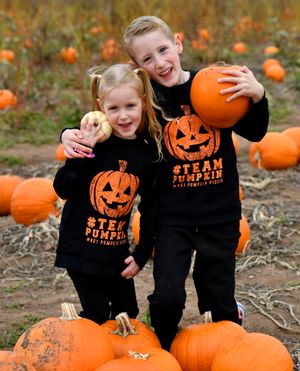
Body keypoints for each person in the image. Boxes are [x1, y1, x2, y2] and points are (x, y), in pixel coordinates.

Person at [60, 16, 269, 350]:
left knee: (218, 292)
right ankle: (166, 349)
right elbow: (111, 124)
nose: (159, 62)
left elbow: (255, 132)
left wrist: (257, 96)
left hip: (220, 213)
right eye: (147, 59)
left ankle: (228, 327)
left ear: (178, 43)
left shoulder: (210, 85)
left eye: (163, 50)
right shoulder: (146, 100)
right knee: (168, 295)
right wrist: (69, 135)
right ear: (137, 66)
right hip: (173, 219)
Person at [53, 63, 164, 325]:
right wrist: (83, 153)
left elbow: (150, 207)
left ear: (143, 102)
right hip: (79, 250)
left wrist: (141, 253)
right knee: (98, 315)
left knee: (128, 314)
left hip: (116, 254)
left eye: (130, 106)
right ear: (101, 106)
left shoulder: (146, 153)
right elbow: (62, 188)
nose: (123, 116)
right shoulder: (93, 144)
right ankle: (84, 352)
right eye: (114, 108)